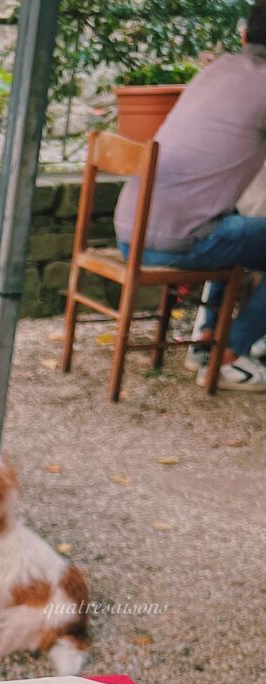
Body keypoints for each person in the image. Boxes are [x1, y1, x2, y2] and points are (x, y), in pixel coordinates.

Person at [114, 1, 266, 392]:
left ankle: (205, 345)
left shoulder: (216, 70)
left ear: (245, 34)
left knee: (234, 225)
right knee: (233, 229)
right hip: (175, 242)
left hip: (130, 229)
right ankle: (228, 354)